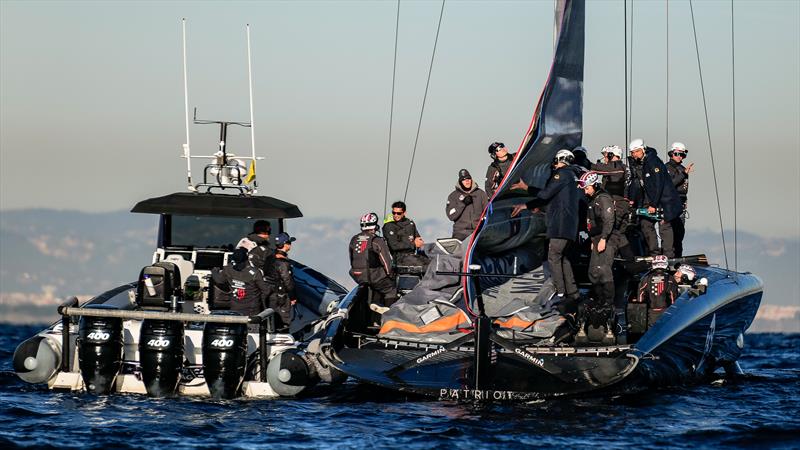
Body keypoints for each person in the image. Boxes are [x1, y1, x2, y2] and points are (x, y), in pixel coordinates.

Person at [510, 149, 581, 310]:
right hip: (570, 226)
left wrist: (525, 203)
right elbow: (552, 196)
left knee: (553, 256)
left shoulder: (562, 174)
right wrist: (526, 190)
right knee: (563, 258)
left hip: (560, 225)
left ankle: (560, 293)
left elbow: (545, 195)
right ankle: (573, 293)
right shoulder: (573, 176)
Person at [578, 171, 620, 332]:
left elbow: (609, 220)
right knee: (593, 271)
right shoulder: (592, 199)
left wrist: (603, 239)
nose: (585, 190)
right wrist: (593, 240)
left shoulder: (603, 198)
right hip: (596, 239)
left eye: (586, 187)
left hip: (607, 239)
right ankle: (599, 298)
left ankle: (608, 301)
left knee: (604, 269)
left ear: (594, 185)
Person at [628, 139, 683, 258]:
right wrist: (632, 199)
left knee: (665, 226)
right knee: (645, 224)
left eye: (636, 151)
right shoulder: (638, 163)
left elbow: (659, 184)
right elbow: (636, 182)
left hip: (664, 201)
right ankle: (654, 254)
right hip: (650, 200)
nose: (634, 155)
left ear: (642, 150)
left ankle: (668, 256)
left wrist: (653, 204)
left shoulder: (653, 161)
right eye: (632, 153)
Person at [349, 212, 397, 314]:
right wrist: (391, 275)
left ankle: (375, 304)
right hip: (371, 275)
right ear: (375, 226)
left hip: (357, 275)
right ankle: (389, 314)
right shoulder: (377, 240)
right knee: (390, 289)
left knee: (376, 284)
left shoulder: (354, 239)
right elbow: (386, 262)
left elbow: (351, 258)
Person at [216, 247, 270, 318]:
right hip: (252, 310)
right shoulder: (255, 273)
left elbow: (219, 280)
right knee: (251, 327)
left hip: (235, 308)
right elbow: (266, 290)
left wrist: (214, 271)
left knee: (236, 327)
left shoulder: (228, 269)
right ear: (246, 259)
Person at [263, 232, 298, 332]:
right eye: (289, 243)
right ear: (285, 244)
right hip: (281, 296)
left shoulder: (269, 258)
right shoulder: (283, 263)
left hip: (269, 294)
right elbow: (287, 281)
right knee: (283, 322)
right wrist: (293, 297)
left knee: (271, 320)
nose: (290, 245)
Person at [665, 142, 694, 257]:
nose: (679, 157)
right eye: (677, 154)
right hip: (671, 206)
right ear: (672, 153)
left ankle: (678, 259)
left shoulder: (683, 169)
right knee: (669, 236)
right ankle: (668, 258)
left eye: (682, 155)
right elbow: (670, 184)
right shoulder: (666, 168)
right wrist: (683, 174)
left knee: (679, 235)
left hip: (681, 206)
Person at [382, 201, 429, 268]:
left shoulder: (410, 223)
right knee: (426, 266)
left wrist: (420, 243)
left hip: (413, 256)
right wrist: (413, 244)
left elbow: (418, 239)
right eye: (394, 213)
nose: (395, 215)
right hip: (399, 258)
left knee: (433, 262)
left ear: (404, 213)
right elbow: (394, 246)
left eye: (398, 213)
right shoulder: (389, 226)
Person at [446, 169, 489, 240]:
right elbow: (451, 216)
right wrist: (462, 204)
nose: (467, 181)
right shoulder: (453, 196)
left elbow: (487, 211)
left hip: (478, 231)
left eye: (468, 178)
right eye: (464, 179)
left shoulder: (481, 194)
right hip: (460, 233)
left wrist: (483, 223)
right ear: (460, 182)